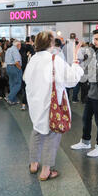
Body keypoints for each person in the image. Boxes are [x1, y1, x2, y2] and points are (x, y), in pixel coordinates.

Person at [24, 31, 83, 181]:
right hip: (51, 104)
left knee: (37, 131)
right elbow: (71, 80)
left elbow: (26, 78)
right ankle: (46, 171)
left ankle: (33, 164)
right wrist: (76, 62)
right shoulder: (54, 59)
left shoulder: (33, 59)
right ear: (51, 43)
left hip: (36, 103)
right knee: (52, 134)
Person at [71, 28, 98, 158]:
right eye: (94, 39)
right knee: (86, 118)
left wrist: (85, 75)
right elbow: (90, 69)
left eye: (97, 39)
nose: (94, 41)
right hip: (92, 93)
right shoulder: (97, 53)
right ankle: (85, 141)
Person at [4, 40, 22, 105]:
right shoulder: (15, 50)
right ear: (18, 45)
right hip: (14, 67)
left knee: (12, 84)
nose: (20, 46)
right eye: (20, 45)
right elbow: (17, 62)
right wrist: (20, 69)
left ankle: (13, 100)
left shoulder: (8, 49)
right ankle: (9, 97)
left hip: (8, 67)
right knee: (18, 84)